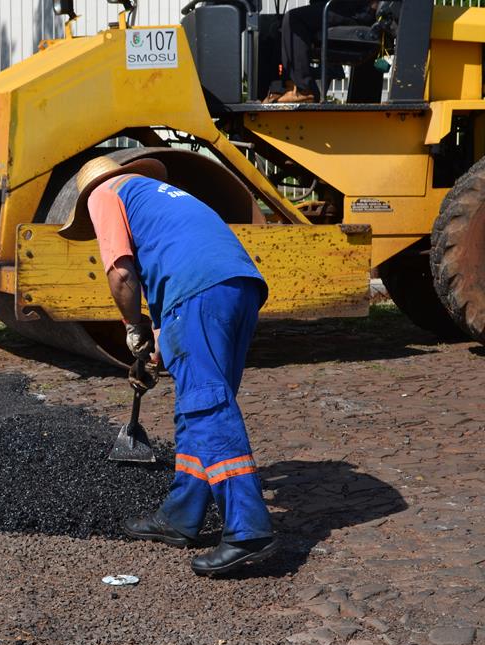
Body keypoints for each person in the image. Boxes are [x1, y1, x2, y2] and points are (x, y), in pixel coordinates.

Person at [59, 156, 278, 576]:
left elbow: (122, 275)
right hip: (238, 287)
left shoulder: (106, 194)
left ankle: (248, 530)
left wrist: (133, 328)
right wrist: (160, 340)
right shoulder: (161, 198)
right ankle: (182, 515)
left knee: (206, 404)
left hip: (198, 291)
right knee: (199, 402)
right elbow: (175, 259)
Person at [265, 0, 379, 104]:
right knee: (277, 26)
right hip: (343, 7)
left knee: (294, 19)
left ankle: (304, 90)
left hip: (355, 9)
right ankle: (281, 89)